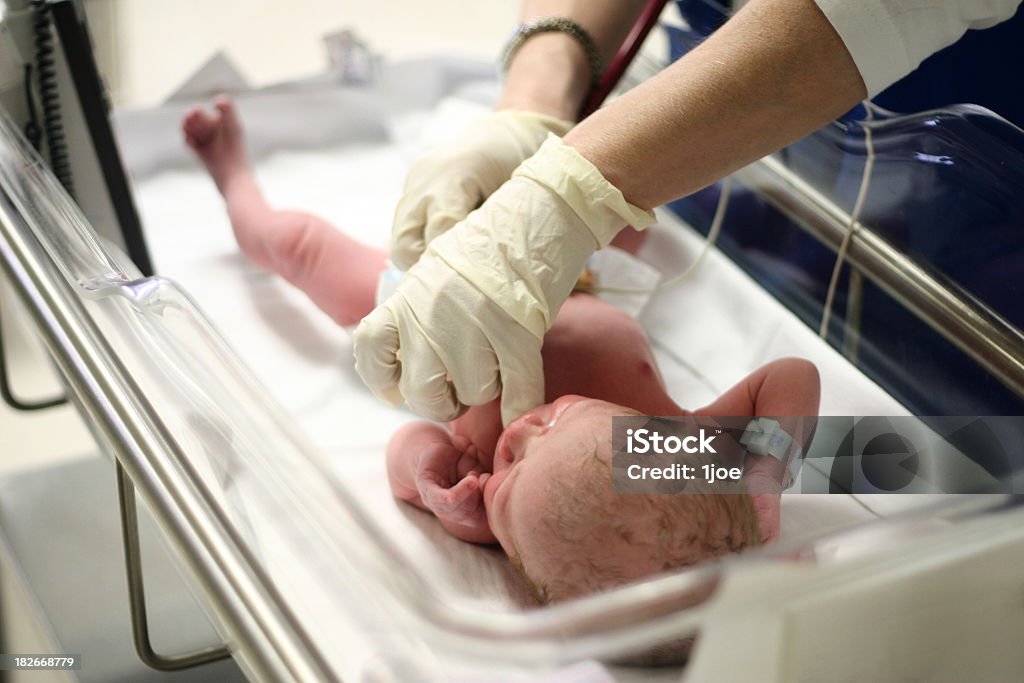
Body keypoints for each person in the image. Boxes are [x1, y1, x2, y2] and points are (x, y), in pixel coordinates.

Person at [182, 96, 821, 603]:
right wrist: (768, 469)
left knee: (298, 246)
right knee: (629, 187)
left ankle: (234, 177)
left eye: (511, 473)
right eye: (557, 428)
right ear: (658, 449)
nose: (518, 436)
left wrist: (431, 481)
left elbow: (409, 453)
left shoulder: (500, 512)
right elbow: (792, 376)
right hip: (566, 264)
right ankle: (534, 123)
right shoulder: (687, 449)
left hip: (433, 312)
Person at [352, 0, 1022, 427]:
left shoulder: (484, 459)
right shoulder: (650, 456)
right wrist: (534, 103)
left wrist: (572, 194)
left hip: (958, 194)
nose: (516, 448)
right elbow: (878, 449)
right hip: (710, 161)